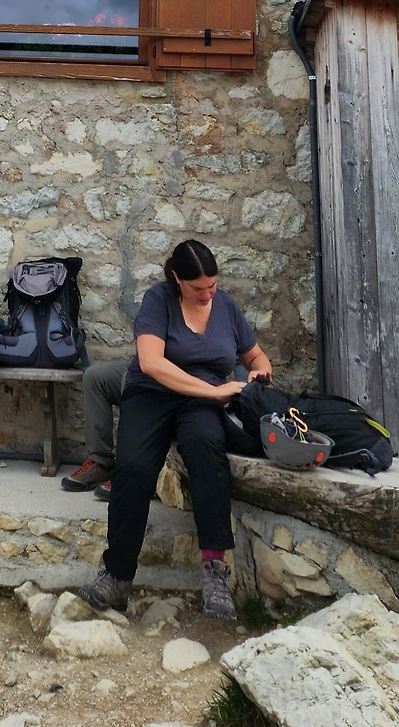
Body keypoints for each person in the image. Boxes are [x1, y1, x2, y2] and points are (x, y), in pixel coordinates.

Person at [81, 241, 271, 622]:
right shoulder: (158, 300)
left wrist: (260, 371)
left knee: (206, 449)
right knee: (133, 466)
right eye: (199, 288)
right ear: (177, 279)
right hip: (152, 394)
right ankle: (117, 576)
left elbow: (255, 355)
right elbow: (151, 363)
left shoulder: (226, 306)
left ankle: (215, 572)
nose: (208, 294)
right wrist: (214, 391)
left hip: (201, 402)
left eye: (212, 286)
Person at [60, 357, 129, 497]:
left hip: (171, 371)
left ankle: (128, 471)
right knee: (94, 377)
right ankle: (101, 463)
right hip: (148, 361)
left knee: (132, 380)